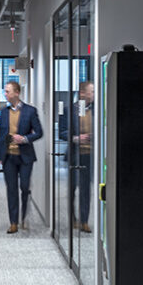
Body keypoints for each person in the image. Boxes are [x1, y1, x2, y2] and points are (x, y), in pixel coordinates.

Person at [0, 81, 43, 234]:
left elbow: (39, 132)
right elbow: (0, 135)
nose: (5, 94)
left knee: (24, 187)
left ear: (17, 92)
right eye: (5, 91)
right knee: (12, 189)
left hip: (25, 157)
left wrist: (24, 139)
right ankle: (14, 222)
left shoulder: (30, 111)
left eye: (7, 91)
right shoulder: (3, 112)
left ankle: (24, 217)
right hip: (9, 157)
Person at [58, 81, 94, 233]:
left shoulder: (97, 110)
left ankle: (84, 220)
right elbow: (62, 132)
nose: (93, 94)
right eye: (91, 92)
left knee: (86, 189)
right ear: (82, 93)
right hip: (74, 155)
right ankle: (73, 218)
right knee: (72, 189)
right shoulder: (68, 110)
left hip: (90, 156)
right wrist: (76, 138)